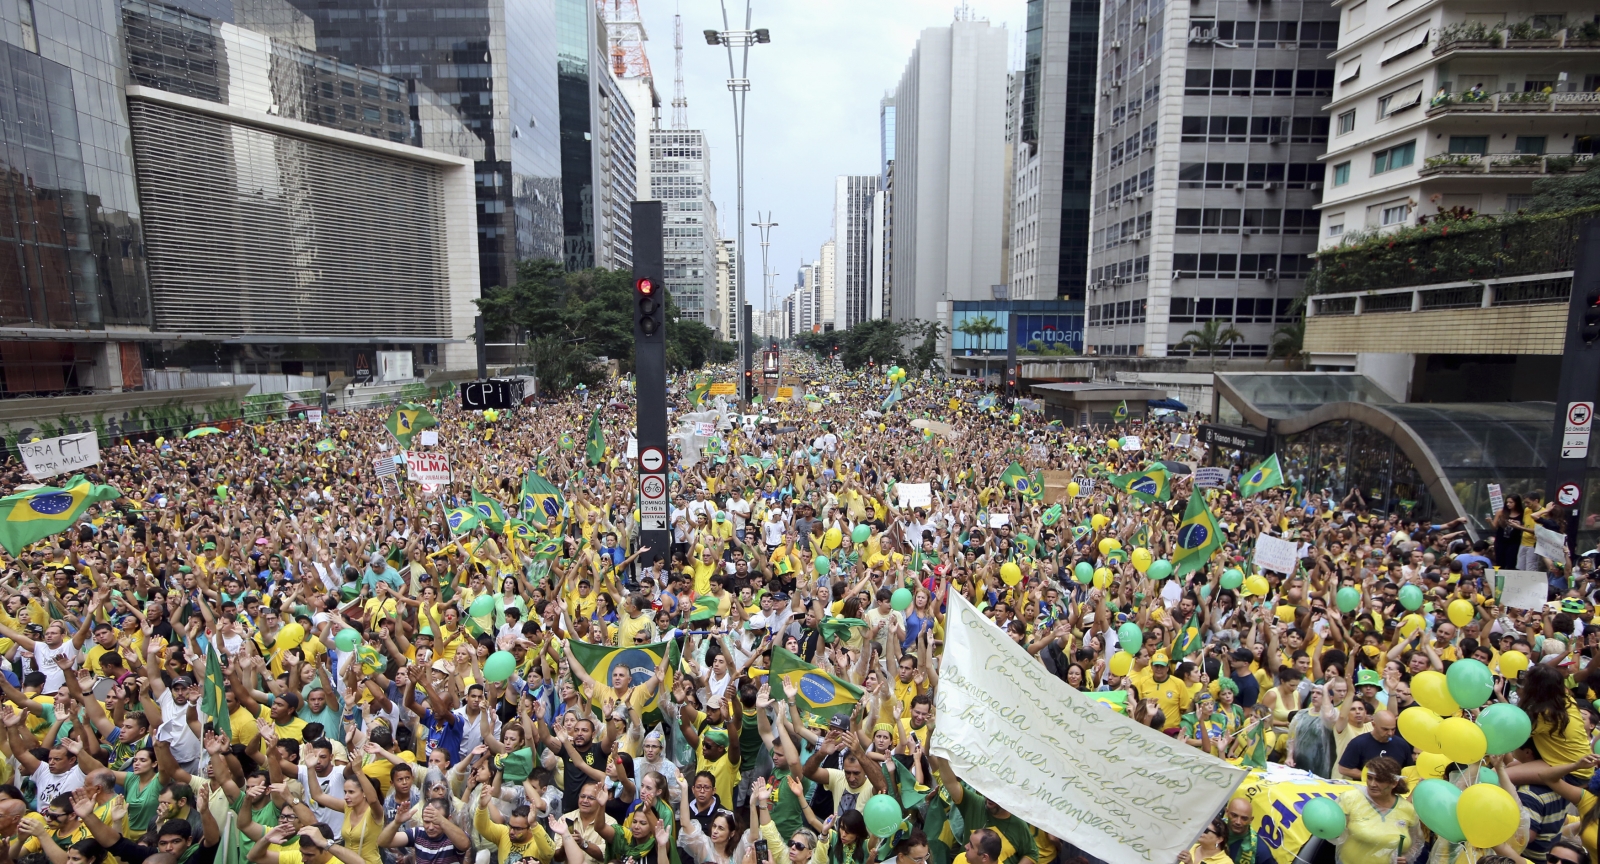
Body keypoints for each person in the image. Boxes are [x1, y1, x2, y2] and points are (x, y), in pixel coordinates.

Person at [1330, 757, 1422, 864]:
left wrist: (1407, 857)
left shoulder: (1408, 809)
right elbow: (1334, 834)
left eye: (1379, 780)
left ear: (1394, 783)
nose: (1372, 784)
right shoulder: (1350, 799)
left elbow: (1417, 842)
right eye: (1369, 778)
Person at [1337, 712, 1411, 779]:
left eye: (1393, 729)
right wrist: (1372, 777)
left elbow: (1409, 770)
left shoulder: (1402, 744)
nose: (1390, 733)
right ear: (1373, 724)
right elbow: (1343, 768)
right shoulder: (1359, 743)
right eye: (1385, 729)